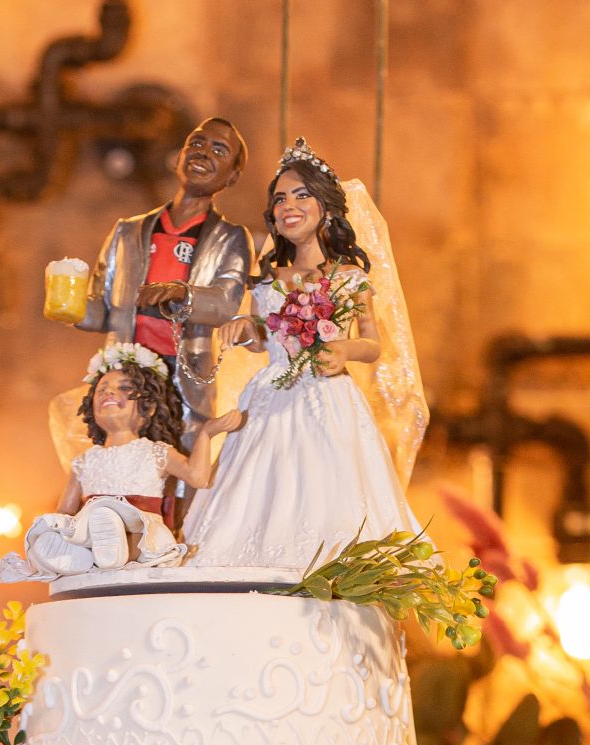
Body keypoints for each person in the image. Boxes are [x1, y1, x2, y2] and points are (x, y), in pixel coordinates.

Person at [181, 139, 424, 579]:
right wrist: (247, 330)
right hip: (271, 395)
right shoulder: (268, 278)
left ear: (325, 208)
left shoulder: (348, 278)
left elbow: (372, 343)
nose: (288, 206)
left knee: (326, 489)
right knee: (259, 489)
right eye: (279, 199)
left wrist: (344, 349)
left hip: (328, 399)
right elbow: (262, 340)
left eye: (300, 195)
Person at [0, 345, 242, 583]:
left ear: (149, 406)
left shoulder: (155, 452)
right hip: (91, 530)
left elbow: (198, 477)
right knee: (56, 532)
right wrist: (56, 531)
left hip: (138, 533)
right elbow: (65, 513)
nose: (109, 393)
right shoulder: (85, 460)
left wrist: (207, 433)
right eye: (102, 389)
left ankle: (106, 548)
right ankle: (81, 557)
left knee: (111, 520)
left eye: (123, 388)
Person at [69, 117, 253, 440]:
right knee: (121, 471)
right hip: (124, 377)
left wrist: (182, 294)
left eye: (218, 150)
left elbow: (226, 304)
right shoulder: (128, 231)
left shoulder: (230, 238)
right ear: (179, 156)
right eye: (196, 144)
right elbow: (104, 310)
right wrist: (69, 307)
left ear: (233, 176)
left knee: (179, 475)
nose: (203, 153)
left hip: (184, 382)